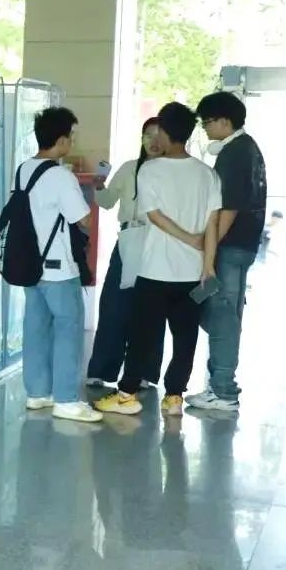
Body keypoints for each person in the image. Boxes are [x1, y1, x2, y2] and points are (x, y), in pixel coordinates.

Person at [95, 102, 221, 417]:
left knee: (143, 335)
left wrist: (188, 239)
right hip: (192, 271)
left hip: (155, 270)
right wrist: (207, 263)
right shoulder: (207, 174)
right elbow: (213, 223)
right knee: (185, 336)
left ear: (165, 132)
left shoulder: (150, 170)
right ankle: (174, 396)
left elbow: (155, 216)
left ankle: (126, 395)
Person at [19, 107, 103, 423]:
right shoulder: (60, 176)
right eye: (71, 136)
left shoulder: (23, 169)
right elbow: (83, 219)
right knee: (69, 327)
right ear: (62, 139)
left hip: (29, 264)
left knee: (36, 328)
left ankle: (37, 393)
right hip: (58, 267)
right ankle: (66, 399)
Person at [187, 92, 267, 412]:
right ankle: (220, 385)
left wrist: (210, 247)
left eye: (207, 122)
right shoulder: (248, 148)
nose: (205, 128)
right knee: (226, 313)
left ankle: (223, 390)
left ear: (224, 121)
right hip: (244, 245)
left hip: (230, 245)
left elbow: (228, 208)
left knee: (222, 316)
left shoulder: (233, 154)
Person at [86, 118, 165, 389]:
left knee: (151, 309)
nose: (154, 142)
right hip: (128, 238)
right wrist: (99, 186)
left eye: (159, 136)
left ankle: (143, 372)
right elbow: (107, 202)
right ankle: (101, 369)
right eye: (148, 135)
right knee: (114, 306)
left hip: (158, 241)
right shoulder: (129, 168)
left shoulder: (172, 172)